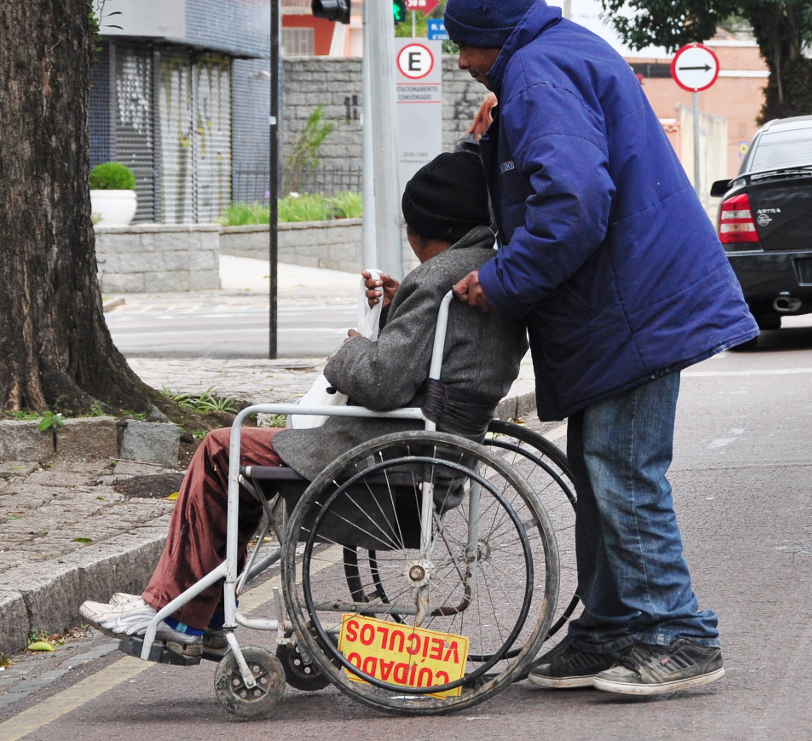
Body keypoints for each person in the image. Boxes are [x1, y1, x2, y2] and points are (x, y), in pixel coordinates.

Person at [444, 0, 758, 696]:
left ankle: (679, 633)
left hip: (634, 309)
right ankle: (611, 627)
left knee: (623, 471)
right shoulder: (553, 60)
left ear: (493, 38)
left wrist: (500, 280)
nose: (461, 62)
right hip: (622, 305)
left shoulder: (537, 74)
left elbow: (575, 203)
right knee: (599, 471)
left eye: (465, 47)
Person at [80, 151, 528, 661]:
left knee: (221, 448)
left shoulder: (438, 279)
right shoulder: (491, 272)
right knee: (243, 453)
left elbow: (382, 382)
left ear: (423, 231)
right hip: (432, 461)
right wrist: (398, 303)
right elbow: (434, 354)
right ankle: (200, 608)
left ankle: (177, 611)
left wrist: (351, 347)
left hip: (384, 468)